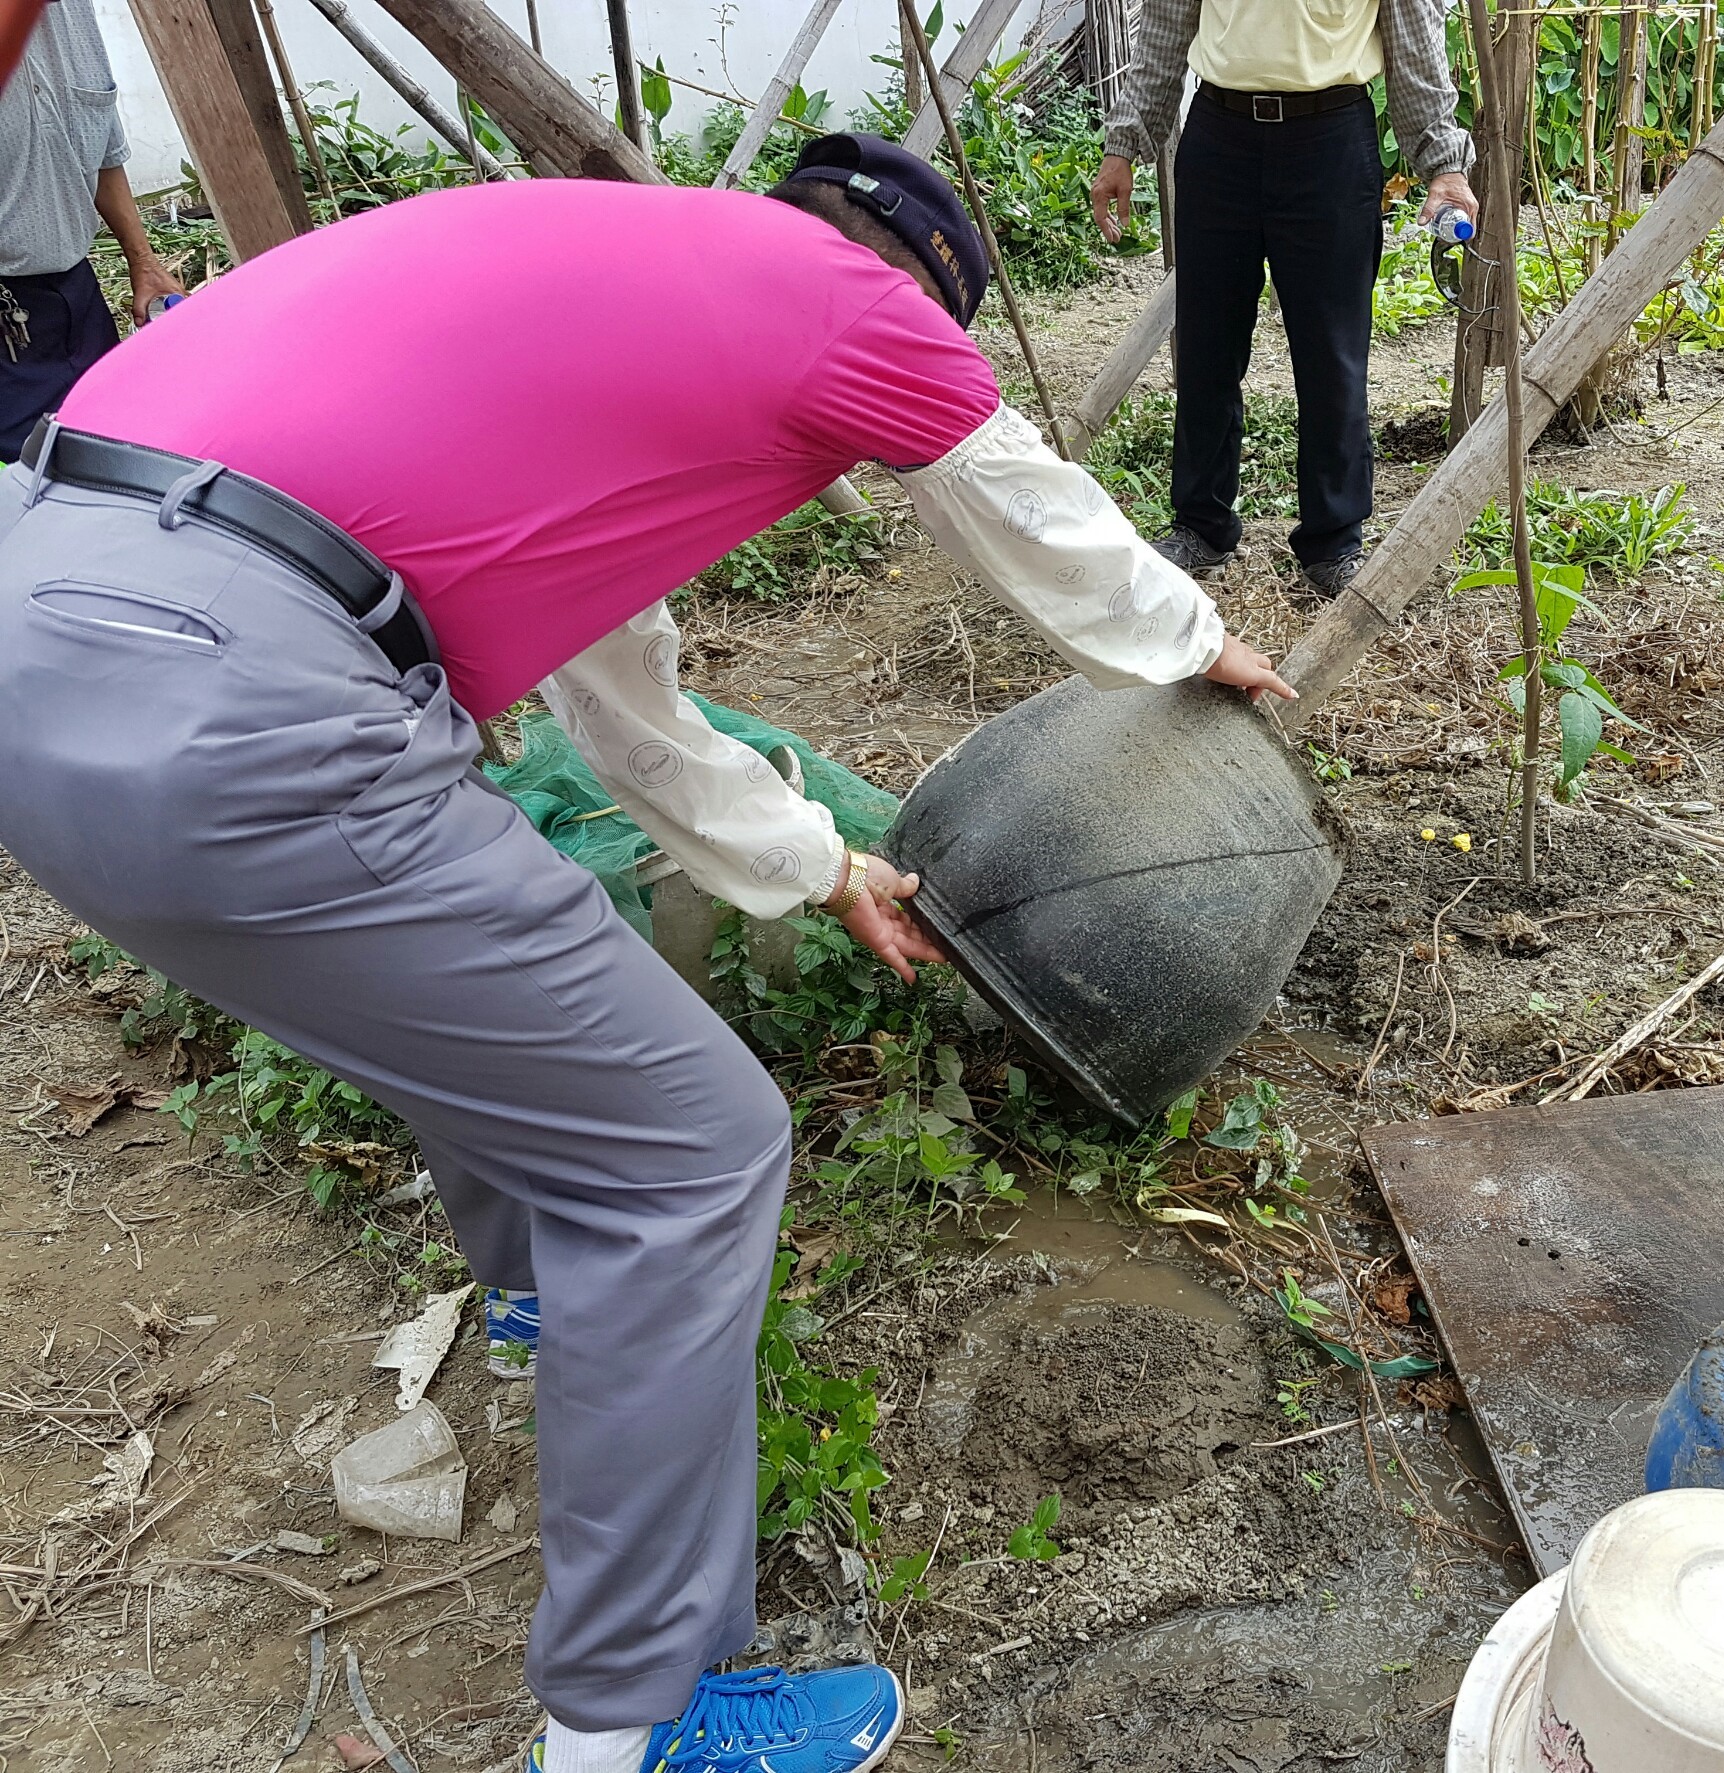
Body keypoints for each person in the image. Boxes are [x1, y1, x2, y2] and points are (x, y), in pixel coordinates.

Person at [0, 134, 1293, 1773]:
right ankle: (635, 1717)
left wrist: (817, 864)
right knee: (689, 1153)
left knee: (468, 971)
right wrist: (1195, 642)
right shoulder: (839, 293)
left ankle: (545, 1302)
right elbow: (1014, 486)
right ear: (902, 287)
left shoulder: (578, 312)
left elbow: (621, 709)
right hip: (249, 696)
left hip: (43, 628)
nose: (844, 465)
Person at [1092, 0, 1476, 597]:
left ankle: (1333, 538)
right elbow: (1166, 31)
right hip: (1218, 137)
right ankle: (1201, 525)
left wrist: (1444, 167)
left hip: (1330, 144)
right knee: (1205, 348)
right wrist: (1124, 145)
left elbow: (1416, 45)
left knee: (1333, 354)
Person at [0, 0, 181, 461]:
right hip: (6, 310)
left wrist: (143, 262)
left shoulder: (69, 13)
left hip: (75, 292)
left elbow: (100, 131)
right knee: (31, 475)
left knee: (112, 438)